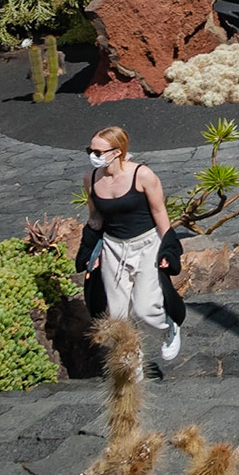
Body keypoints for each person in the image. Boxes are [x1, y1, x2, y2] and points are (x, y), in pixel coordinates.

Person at [76, 127, 182, 363]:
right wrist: (89, 250)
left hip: (146, 245)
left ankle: (169, 327)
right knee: (117, 315)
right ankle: (132, 362)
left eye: (99, 151)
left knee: (145, 309)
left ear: (117, 151)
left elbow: (159, 212)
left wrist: (169, 247)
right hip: (114, 248)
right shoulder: (91, 179)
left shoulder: (143, 175)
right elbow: (95, 217)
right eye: (90, 150)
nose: (94, 155)